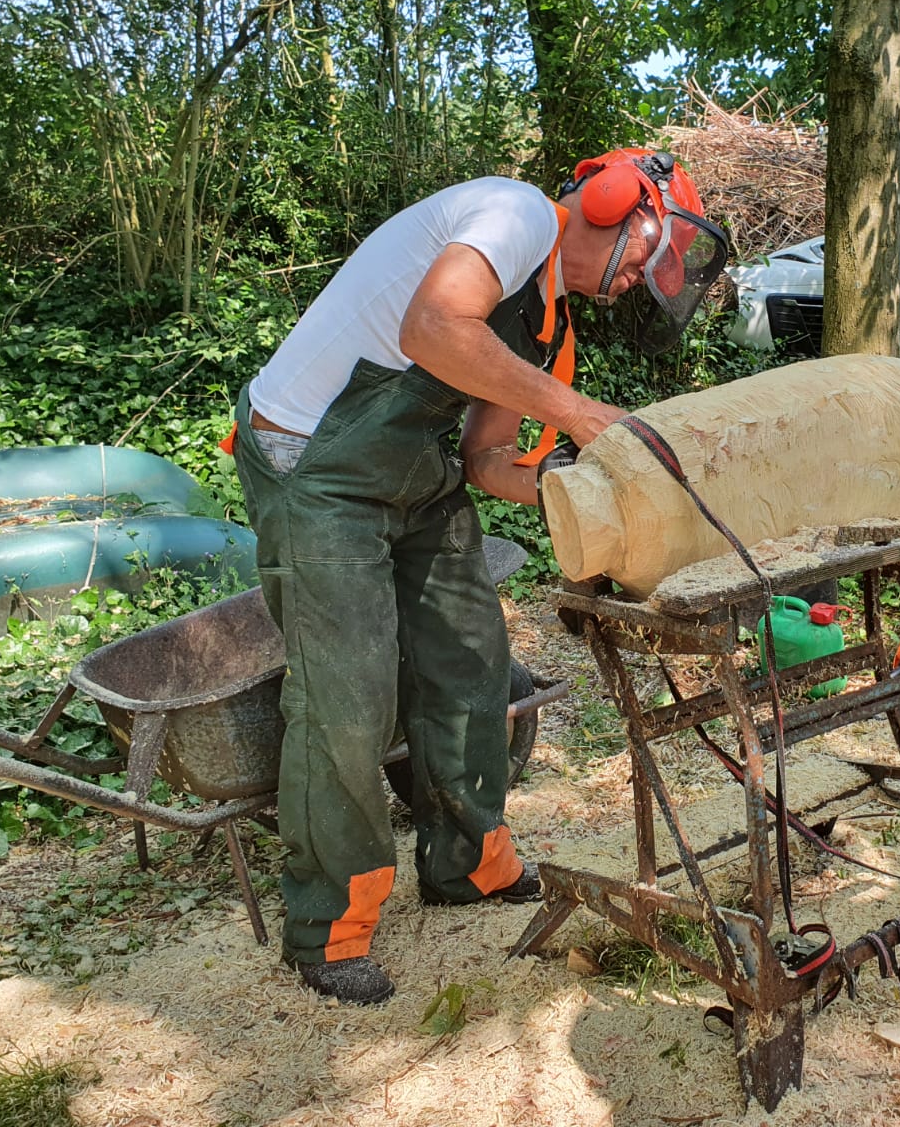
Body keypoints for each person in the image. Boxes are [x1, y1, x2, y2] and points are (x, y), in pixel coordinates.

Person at [224, 149, 730, 1005]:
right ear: (616, 203)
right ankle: (332, 923)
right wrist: (577, 413)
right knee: (349, 689)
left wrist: (590, 489)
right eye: (652, 251)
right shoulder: (515, 213)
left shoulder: (551, 331)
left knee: (471, 659)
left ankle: (468, 862)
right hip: (312, 458)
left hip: (412, 468)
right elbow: (433, 329)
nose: (644, 277)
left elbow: (489, 458)